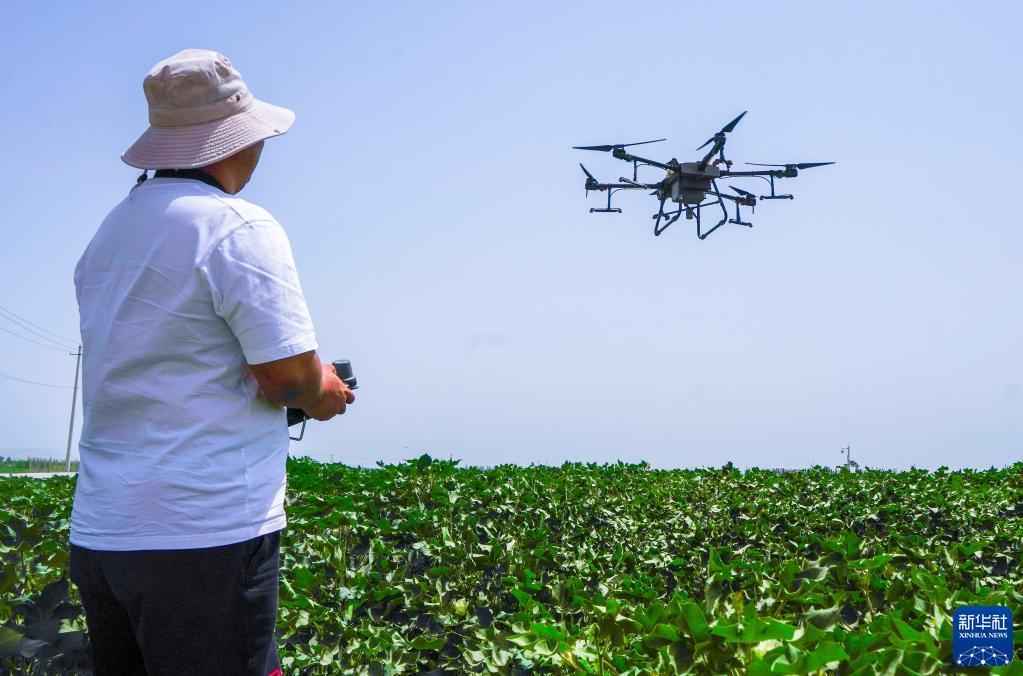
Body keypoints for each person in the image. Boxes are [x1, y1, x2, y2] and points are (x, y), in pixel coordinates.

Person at [68, 49, 354, 675]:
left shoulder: (110, 234)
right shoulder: (237, 227)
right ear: (230, 141)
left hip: (103, 532)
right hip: (204, 533)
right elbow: (286, 379)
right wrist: (323, 391)